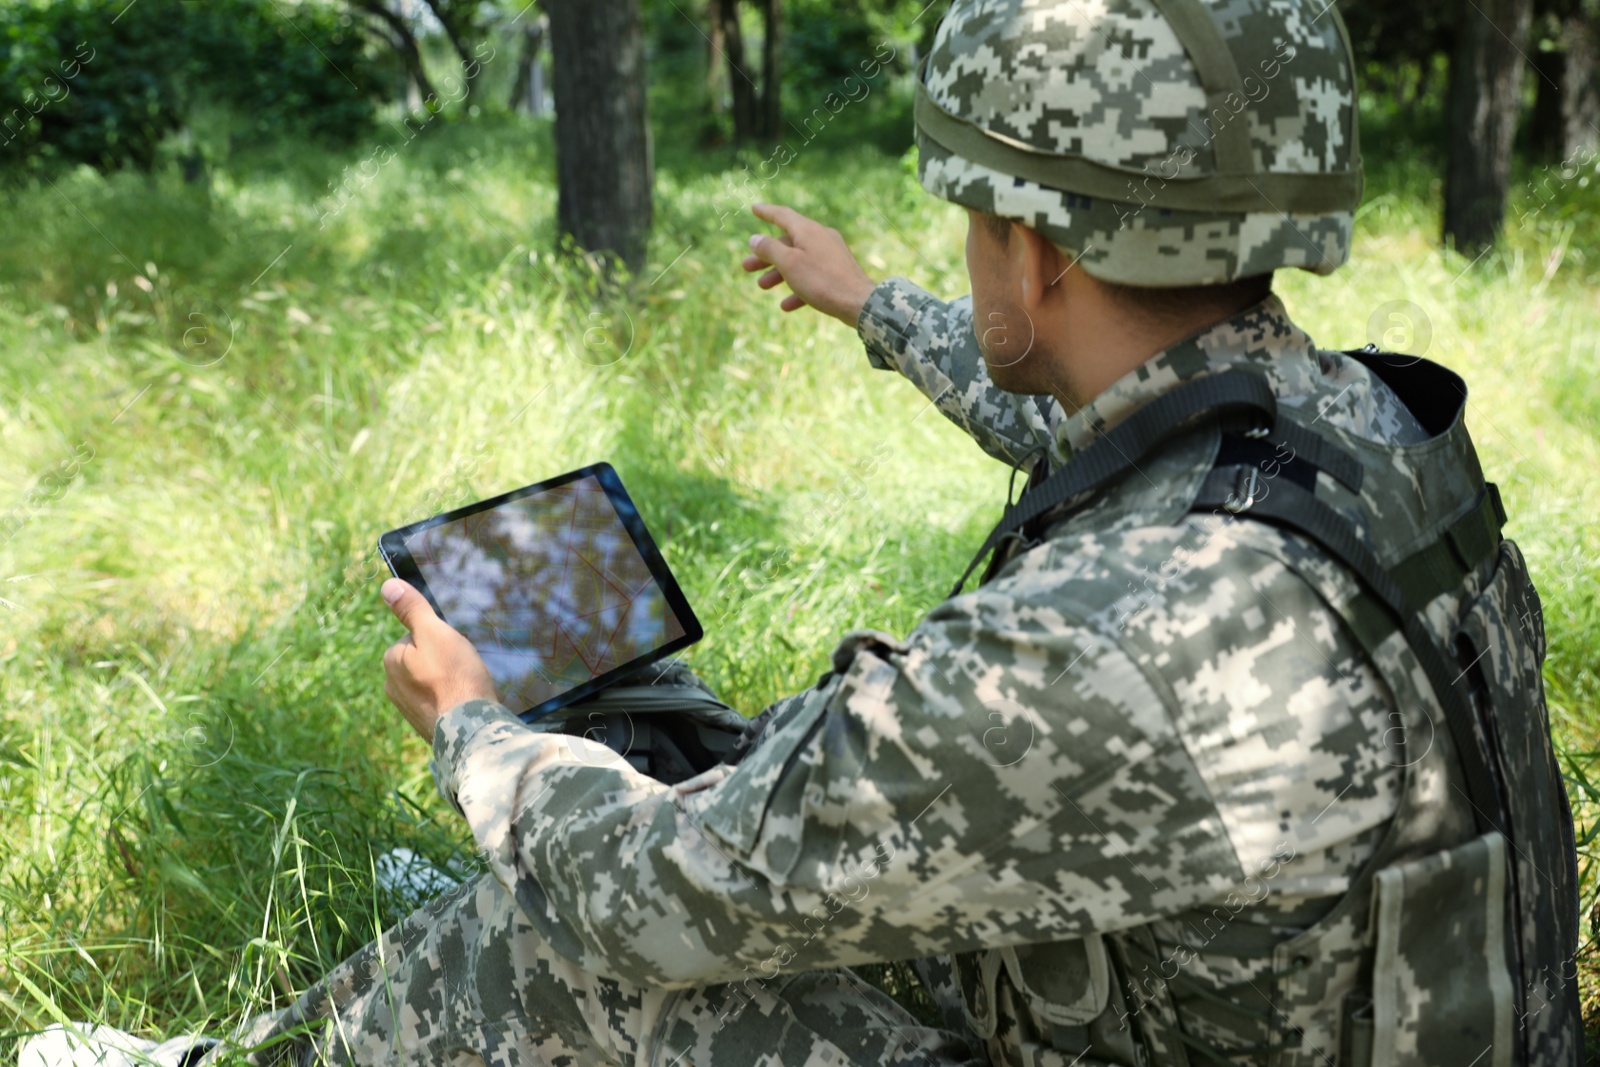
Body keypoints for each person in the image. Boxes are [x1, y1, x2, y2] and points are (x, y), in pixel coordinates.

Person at [22, 0, 1580, 1064]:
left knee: (585, 944)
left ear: (1032, 254)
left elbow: (661, 895)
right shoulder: (1354, 427)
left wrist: (477, 734)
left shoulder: (1103, 647)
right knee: (698, 751)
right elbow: (1098, 423)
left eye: (975, 228)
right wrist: (876, 307)